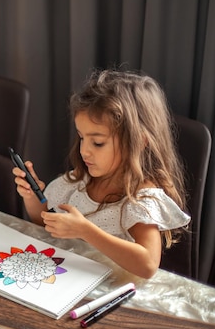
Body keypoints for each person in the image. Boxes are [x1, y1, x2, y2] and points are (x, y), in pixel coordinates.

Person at [13, 70, 190, 279]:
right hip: (65, 280)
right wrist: (32, 197)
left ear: (139, 142)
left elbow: (148, 265)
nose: (84, 150)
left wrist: (85, 231)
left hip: (108, 293)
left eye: (97, 142)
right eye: (81, 138)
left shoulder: (140, 199)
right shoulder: (81, 180)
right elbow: (45, 223)